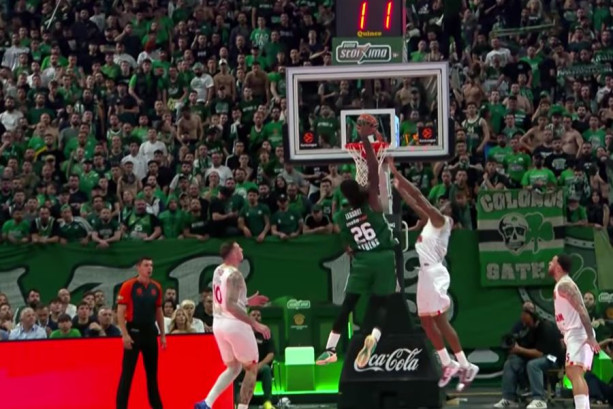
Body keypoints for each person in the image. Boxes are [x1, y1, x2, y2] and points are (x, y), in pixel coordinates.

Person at [388, 160, 479, 391]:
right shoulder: (431, 222)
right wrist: (398, 188)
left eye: (444, 203)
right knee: (426, 322)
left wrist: (398, 173)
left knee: (440, 320)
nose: (440, 204)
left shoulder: (441, 220)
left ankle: (466, 364)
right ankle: (449, 363)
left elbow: (419, 196)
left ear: (449, 212)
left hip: (435, 272)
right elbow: (414, 203)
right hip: (426, 273)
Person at [316, 113, 397, 369]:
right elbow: (372, 168)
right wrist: (365, 140)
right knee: (382, 302)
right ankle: (374, 336)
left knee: (348, 304)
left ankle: (330, 349)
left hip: (362, 260)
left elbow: (347, 245)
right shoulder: (372, 203)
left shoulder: (340, 216)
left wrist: (350, 248)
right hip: (383, 256)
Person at [194, 241, 270, 409]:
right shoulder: (235, 275)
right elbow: (231, 305)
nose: (242, 249)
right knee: (251, 367)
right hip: (235, 324)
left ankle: (207, 403)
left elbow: (227, 300)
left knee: (234, 367)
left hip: (219, 324)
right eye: (239, 247)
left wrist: (248, 301)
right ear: (234, 253)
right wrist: (255, 324)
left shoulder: (218, 270)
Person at [551, 254, 601, 409]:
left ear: (558, 267)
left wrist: (590, 336)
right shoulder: (561, 285)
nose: (549, 263)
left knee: (574, 373)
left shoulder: (565, 285)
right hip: (574, 333)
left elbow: (582, 310)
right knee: (575, 374)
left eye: (552, 262)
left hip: (579, 333)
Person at [116, 257, 166, 409]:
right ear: (138, 267)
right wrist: (125, 334)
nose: (149, 268)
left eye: (151, 265)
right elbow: (120, 311)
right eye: (146, 265)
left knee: (152, 374)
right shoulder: (128, 286)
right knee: (127, 374)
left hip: (150, 332)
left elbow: (159, 312)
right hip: (134, 332)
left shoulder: (156, 287)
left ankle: (156, 406)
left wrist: (163, 335)